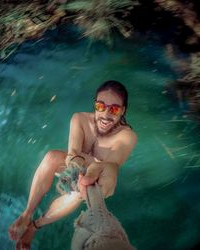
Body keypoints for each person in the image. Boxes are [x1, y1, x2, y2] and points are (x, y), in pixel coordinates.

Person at [8, 80, 137, 249]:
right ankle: (27, 214)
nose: (105, 115)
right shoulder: (80, 119)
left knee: (77, 192)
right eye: (100, 106)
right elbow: (73, 151)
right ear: (95, 105)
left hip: (95, 177)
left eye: (114, 109)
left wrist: (91, 171)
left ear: (123, 111)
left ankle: (35, 226)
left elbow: (110, 164)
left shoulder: (127, 136)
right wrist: (75, 164)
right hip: (77, 164)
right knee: (51, 156)